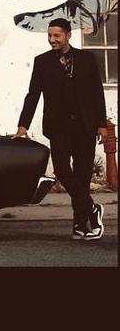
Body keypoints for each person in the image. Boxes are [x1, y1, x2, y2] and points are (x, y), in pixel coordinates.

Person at [13, 18, 108, 240]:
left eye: (56, 36)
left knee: (83, 177)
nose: (52, 40)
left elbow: (97, 92)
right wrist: (23, 124)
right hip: (59, 128)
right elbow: (33, 94)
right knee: (62, 170)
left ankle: (80, 225)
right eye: (49, 35)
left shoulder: (86, 59)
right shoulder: (42, 62)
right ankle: (92, 208)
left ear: (68, 35)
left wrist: (101, 124)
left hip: (85, 126)